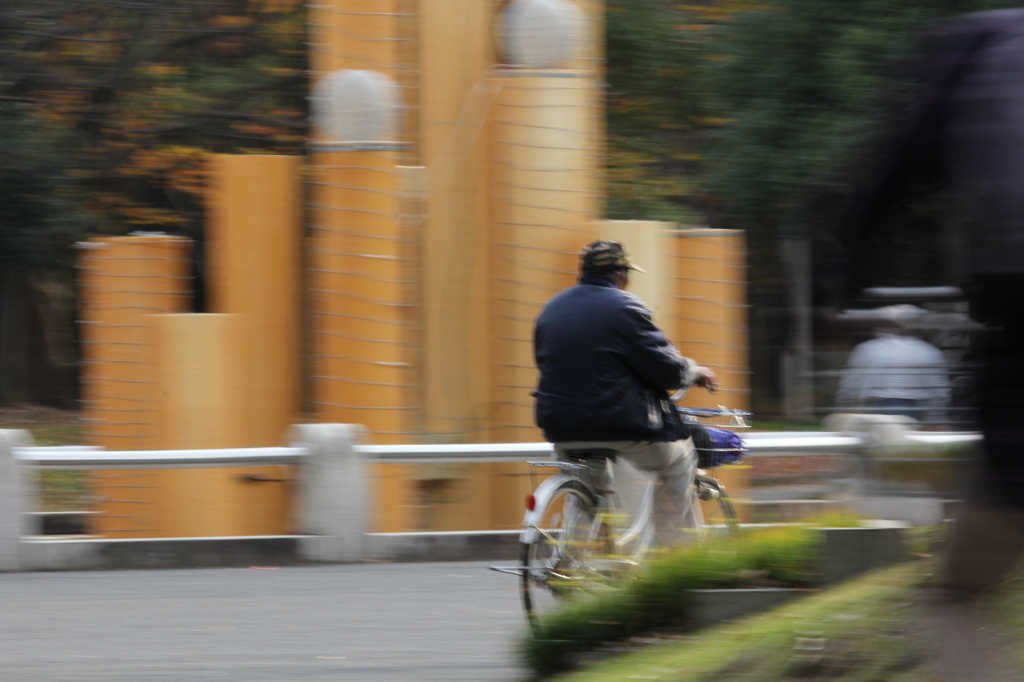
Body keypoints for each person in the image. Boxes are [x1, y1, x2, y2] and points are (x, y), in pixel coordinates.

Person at [533, 240, 718, 547]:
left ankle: (570, 560)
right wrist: (694, 371)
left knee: (586, 487)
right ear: (619, 275)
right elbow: (664, 368)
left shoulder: (551, 309)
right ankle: (664, 557)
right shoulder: (626, 307)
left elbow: (546, 362)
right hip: (617, 422)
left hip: (560, 423)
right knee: (680, 461)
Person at [835, 319, 951, 425]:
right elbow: (938, 390)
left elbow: (850, 383)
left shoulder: (866, 349)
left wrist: (844, 408)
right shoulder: (927, 351)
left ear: (877, 329)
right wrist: (937, 418)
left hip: (873, 408)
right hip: (912, 409)